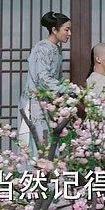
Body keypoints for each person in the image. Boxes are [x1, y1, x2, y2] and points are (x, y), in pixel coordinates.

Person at [17, 11, 72, 149]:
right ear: (54, 30)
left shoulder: (57, 50)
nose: (69, 33)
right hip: (36, 102)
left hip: (49, 102)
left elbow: (58, 78)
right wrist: (67, 89)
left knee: (50, 143)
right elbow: (42, 79)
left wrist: (67, 91)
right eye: (66, 29)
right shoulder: (41, 48)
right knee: (37, 142)